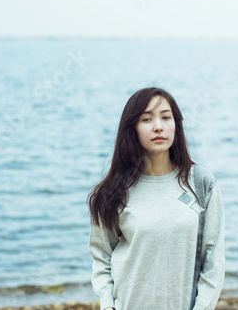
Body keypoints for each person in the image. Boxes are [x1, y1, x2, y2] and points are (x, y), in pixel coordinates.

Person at [87, 87, 225, 310]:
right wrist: (107, 305)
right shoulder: (113, 192)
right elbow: (102, 257)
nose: (158, 126)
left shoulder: (201, 183)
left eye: (166, 117)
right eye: (147, 119)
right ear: (132, 128)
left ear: (176, 126)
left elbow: (213, 260)